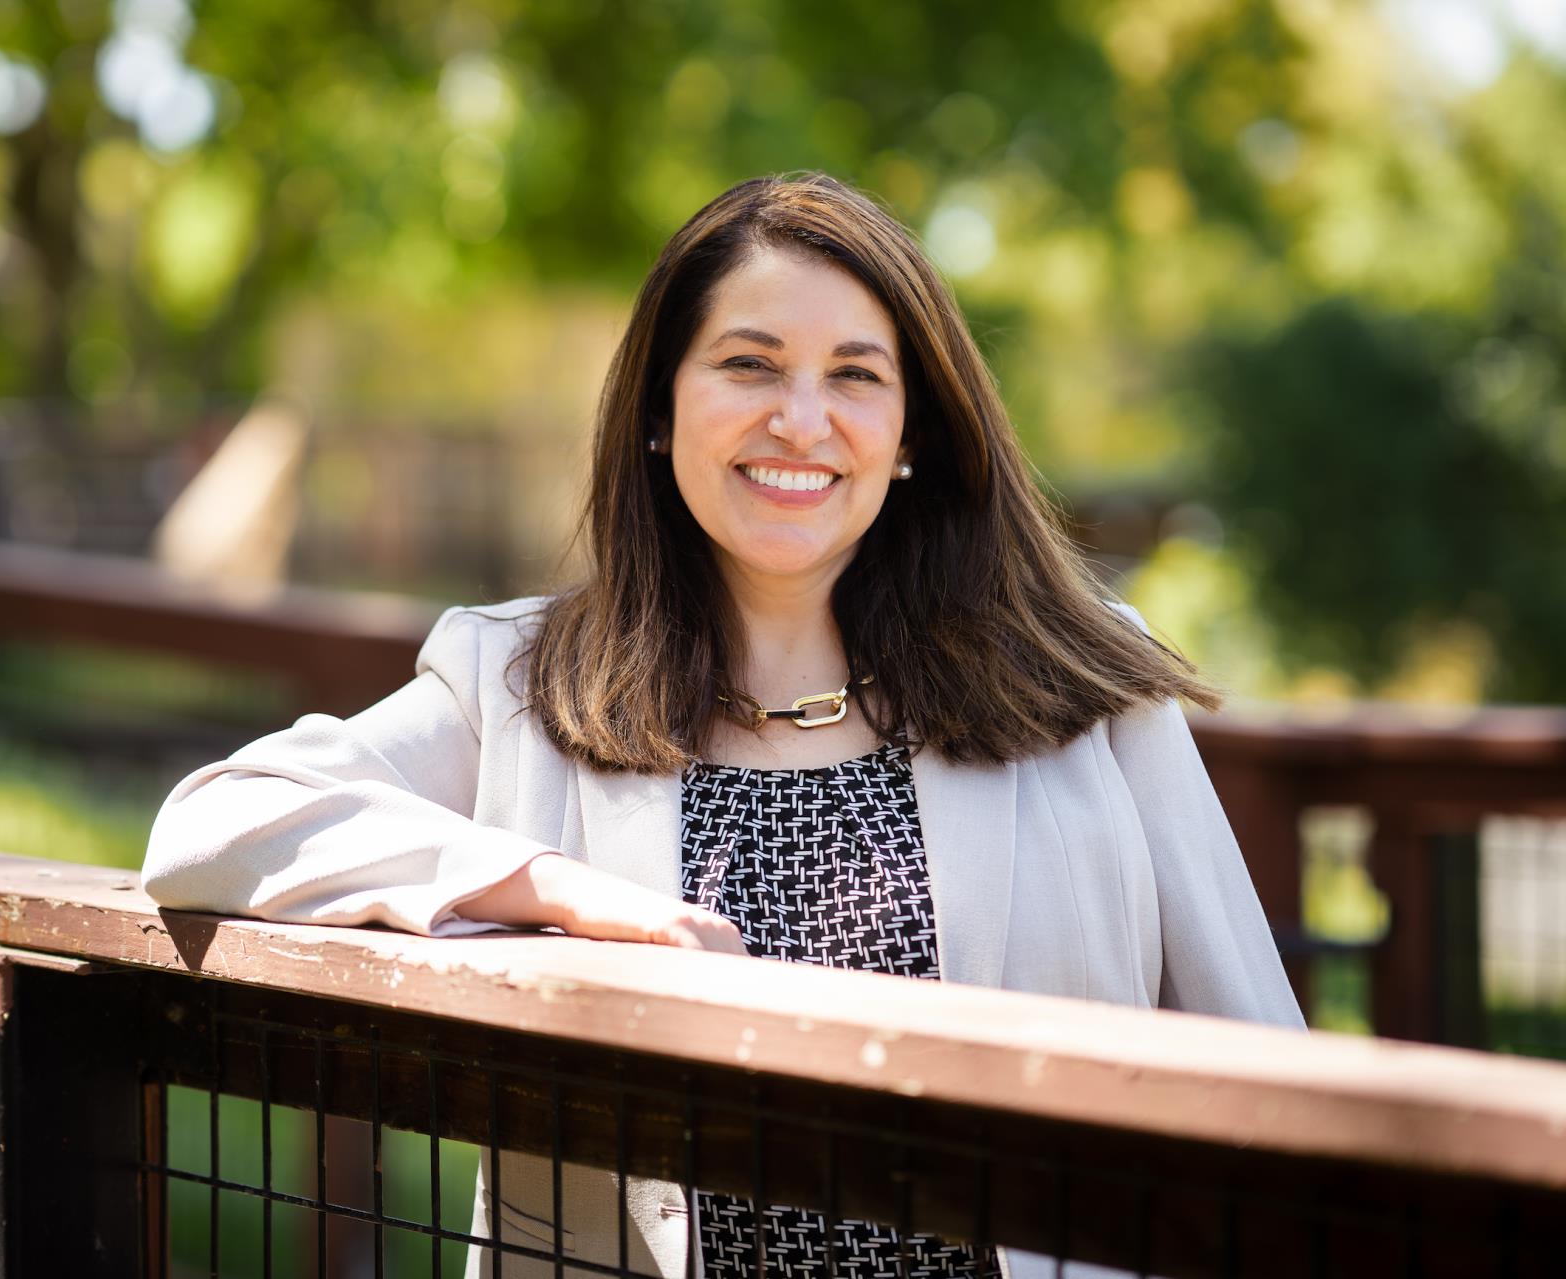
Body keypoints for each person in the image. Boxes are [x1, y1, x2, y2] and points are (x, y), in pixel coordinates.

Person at [141, 172, 1306, 1279]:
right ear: (660, 410)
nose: (802, 421)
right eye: (750, 363)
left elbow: (1271, 1082)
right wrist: (559, 893)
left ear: (912, 435)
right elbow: (212, 826)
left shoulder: (1087, 683)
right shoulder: (520, 682)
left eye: (856, 375)